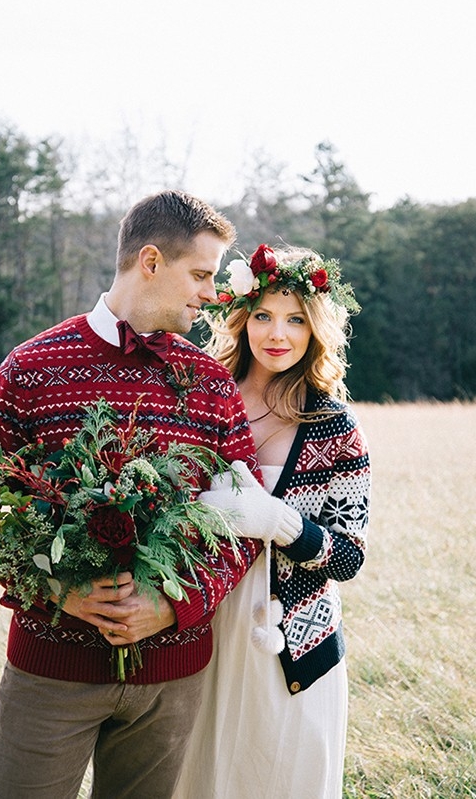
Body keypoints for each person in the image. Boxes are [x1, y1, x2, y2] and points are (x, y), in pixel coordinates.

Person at [0, 190, 261, 799]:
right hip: (50, 672)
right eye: (200, 275)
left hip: (173, 680)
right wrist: (58, 590)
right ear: (150, 262)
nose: (211, 294)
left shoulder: (212, 383)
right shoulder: (31, 367)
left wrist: (174, 607)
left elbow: (246, 524)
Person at [173, 243, 371, 799]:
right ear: (241, 318)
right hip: (204, 617)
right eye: (263, 316)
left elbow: (349, 556)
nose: (276, 334)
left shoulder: (335, 428)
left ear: (315, 330)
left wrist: (280, 523)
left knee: (282, 773)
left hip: (293, 635)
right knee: (199, 773)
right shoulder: (208, 400)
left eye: (295, 320)